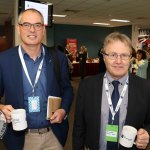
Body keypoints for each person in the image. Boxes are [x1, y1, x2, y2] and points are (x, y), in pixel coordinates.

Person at [0, 9, 73, 150]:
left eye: (38, 25)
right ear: (19, 29)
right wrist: (2, 108)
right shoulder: (4, 60)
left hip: (53, 136)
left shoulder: (58, 58)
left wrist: (63, 110)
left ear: (43, 30)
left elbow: (67, 89)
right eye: (26, 25)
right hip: (20, 139)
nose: (32, 29)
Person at [73, 32, 150, 150]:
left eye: (124, 55)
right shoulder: (87, 86)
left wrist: (147, 134)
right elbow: (79, 127)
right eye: (113, 55)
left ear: (130, 58)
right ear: (104, 57)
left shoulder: (145, 87)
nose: (118, 61)